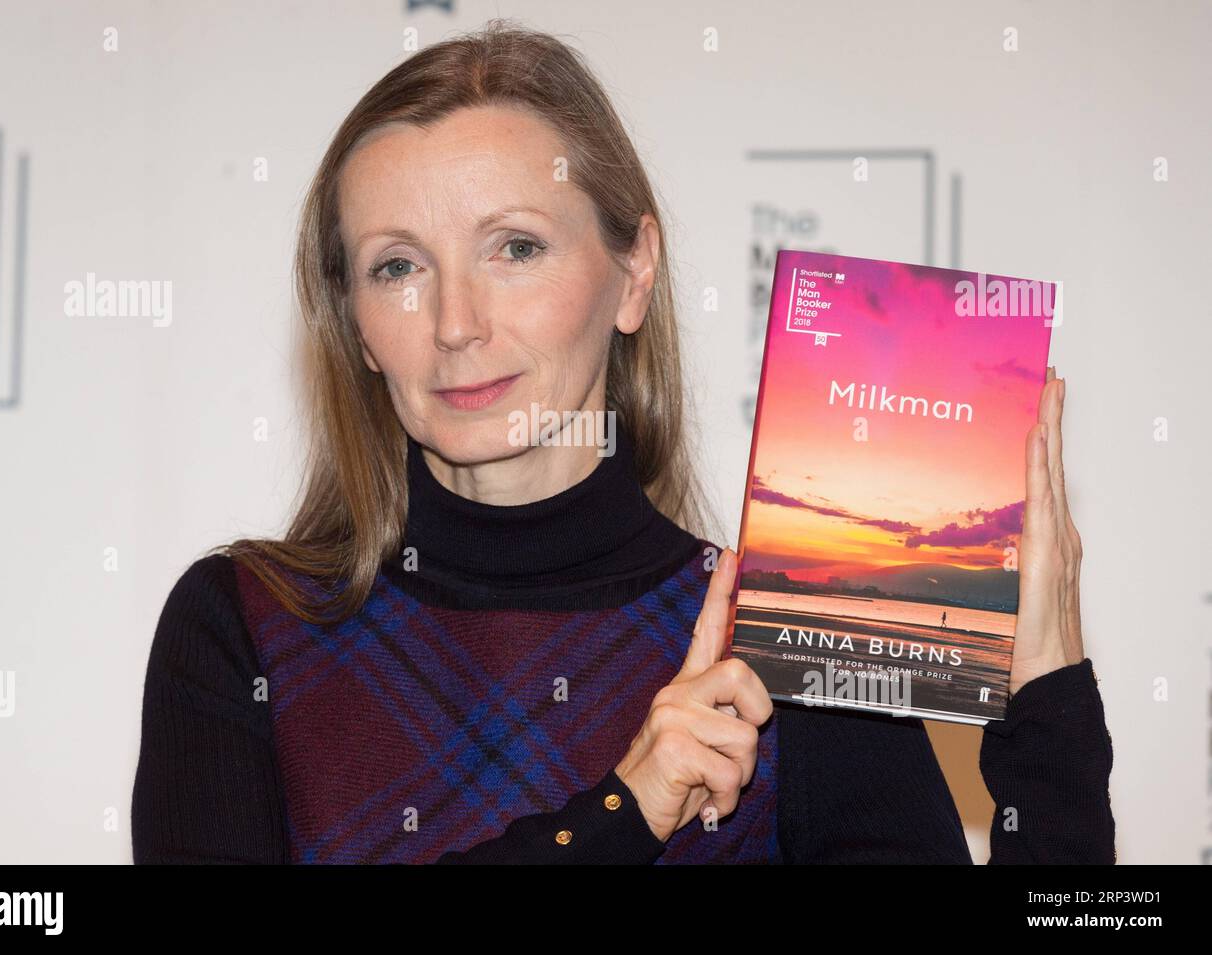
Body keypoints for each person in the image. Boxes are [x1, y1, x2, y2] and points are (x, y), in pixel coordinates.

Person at [130, 20, 1114, 864]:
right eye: (397, 266)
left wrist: (1047, 714)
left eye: (514, 247)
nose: (456, 322)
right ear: (353, 322)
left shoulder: (790, 636)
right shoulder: (243, 627)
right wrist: (625, 810)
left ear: (632, 271)